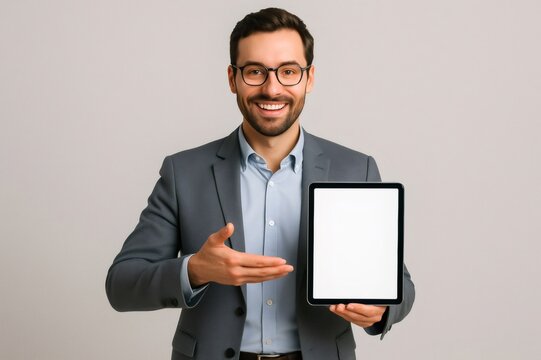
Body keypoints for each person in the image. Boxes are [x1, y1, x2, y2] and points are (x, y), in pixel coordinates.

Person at [106, 7, 415, 360]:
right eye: (255, 71)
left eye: (288, 72)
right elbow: (122, 284)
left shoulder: (354, 169)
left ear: (309, 78)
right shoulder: (184, 172)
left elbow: (399, 285)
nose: (272, 88)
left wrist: (381, 310)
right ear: (232, 78)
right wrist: (195, 269)